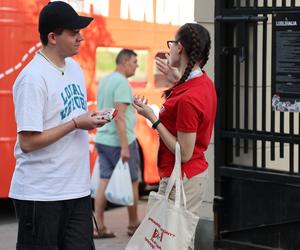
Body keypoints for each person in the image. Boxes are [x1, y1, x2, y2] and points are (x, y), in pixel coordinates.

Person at [8, 2, 109, 250]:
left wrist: (89, 118)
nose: (80, 38)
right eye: (73, 33)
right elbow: (28, 142)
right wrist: (76, 123)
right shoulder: (33, 78)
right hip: (41, 195)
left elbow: (69, 116)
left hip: (77, 190)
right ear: (52, 37)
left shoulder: (74, 68)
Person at [133, 23, 217, 249]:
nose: (168, 50)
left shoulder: (189, 98)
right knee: (175, 241)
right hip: (190, 176)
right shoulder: (204, 83)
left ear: (179, 48)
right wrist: (177, 78)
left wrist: (152, 118)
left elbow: (185, 152)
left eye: (171, 45)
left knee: (170, 243)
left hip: (182, 178)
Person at [94, 49, 140, 238]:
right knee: (133, 182)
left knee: (103, 181)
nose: (137, 66)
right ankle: (133, 225)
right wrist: (124, 147)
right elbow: (119, 117)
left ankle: (99, 227)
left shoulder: (105, 80)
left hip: (102, 138)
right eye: (135, 62)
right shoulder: (122, 83)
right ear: (124, 62)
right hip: (120, 140)